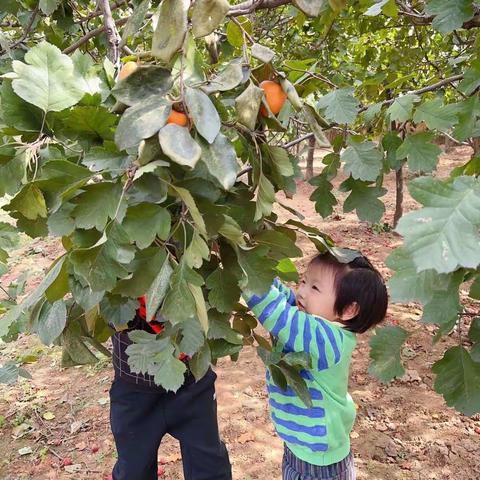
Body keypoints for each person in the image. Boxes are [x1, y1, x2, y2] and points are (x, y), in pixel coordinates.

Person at [243, 251, 388, 480]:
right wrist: (251, 262)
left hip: (320, 465)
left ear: (349, 310)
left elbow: (278, 315)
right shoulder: (312, 323)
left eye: (315, 288)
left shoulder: (328, 340)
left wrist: (241, 269)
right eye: (303, 281)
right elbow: (285, 299)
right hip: (299, 449)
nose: (301, 291)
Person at [109, 295, 232, 480]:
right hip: (134, 389)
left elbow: (216, 305)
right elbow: (112, 310)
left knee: (210, 466)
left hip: (192, 384)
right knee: (134, 470)